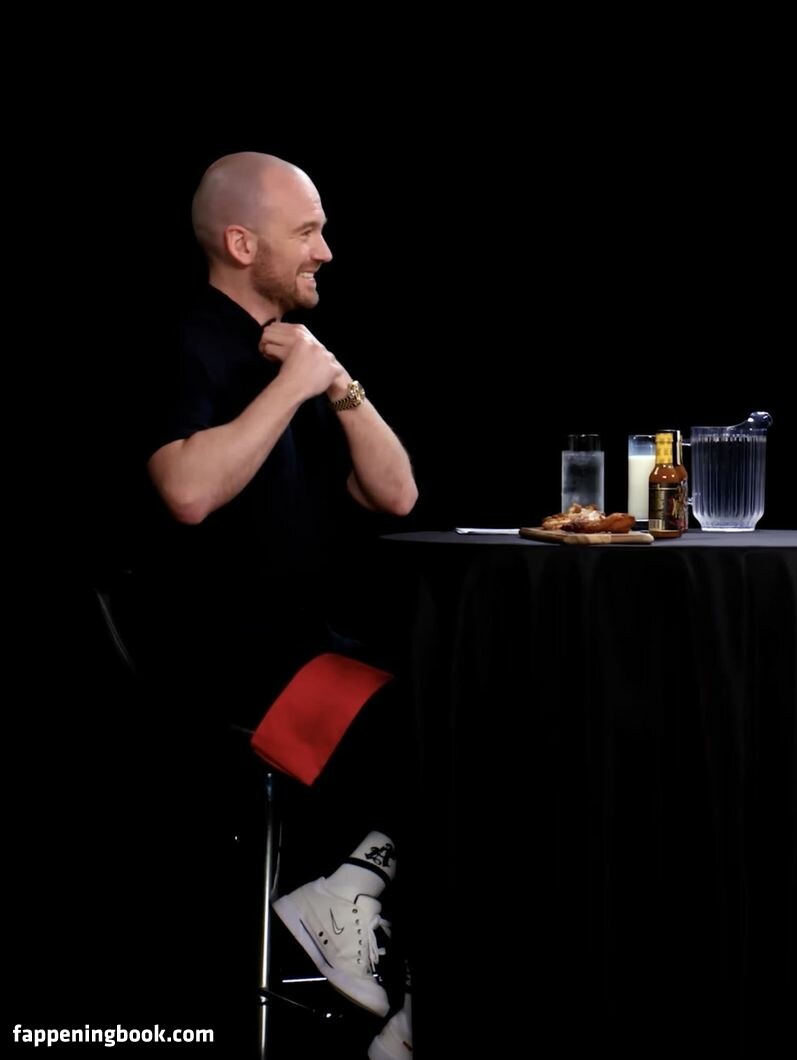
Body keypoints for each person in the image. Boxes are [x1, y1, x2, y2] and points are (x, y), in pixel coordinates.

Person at [144, 151, 419, 1052]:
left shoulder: (293, 352)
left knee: (478, 692)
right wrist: (295, 386)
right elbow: (188, 493)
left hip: (307, 644)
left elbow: (396, 494)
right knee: (433, 717)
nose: (325, 252)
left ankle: (362, 906)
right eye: (307, 232)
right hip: (222, 661)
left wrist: (336, 384)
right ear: (240, 243)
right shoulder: (183, 342)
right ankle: (360, 914)